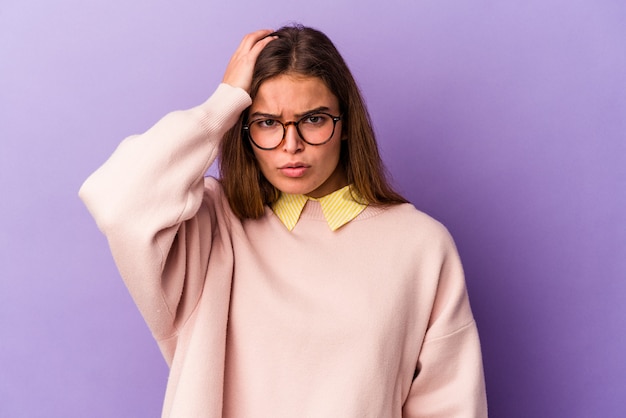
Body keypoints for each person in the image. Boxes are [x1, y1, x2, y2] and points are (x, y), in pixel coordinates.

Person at [79, 25, 487, 418]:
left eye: (313, 119)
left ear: (345, 125)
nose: (291, 146)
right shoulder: (210, 226)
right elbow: (116, 201)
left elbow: (450, 406)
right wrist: (221, 104)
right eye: (267, 123)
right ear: (245, 128)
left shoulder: (420, 244)